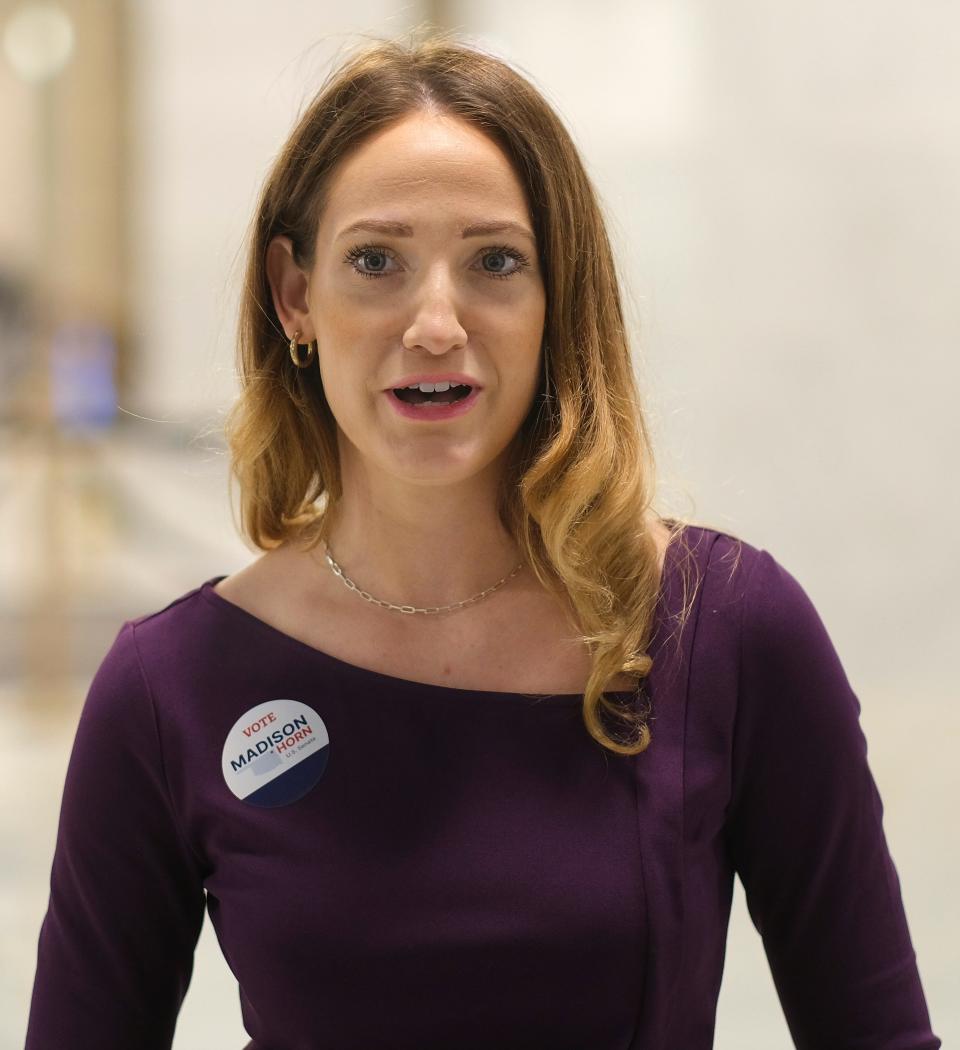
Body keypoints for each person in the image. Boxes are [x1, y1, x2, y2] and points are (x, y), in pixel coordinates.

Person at [25, 29, 940, 1050]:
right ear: (295, 296)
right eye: (376, 262)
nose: (435, 322)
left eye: (495, 263)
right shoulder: (173, 688)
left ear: (557, 302)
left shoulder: (724, 630)